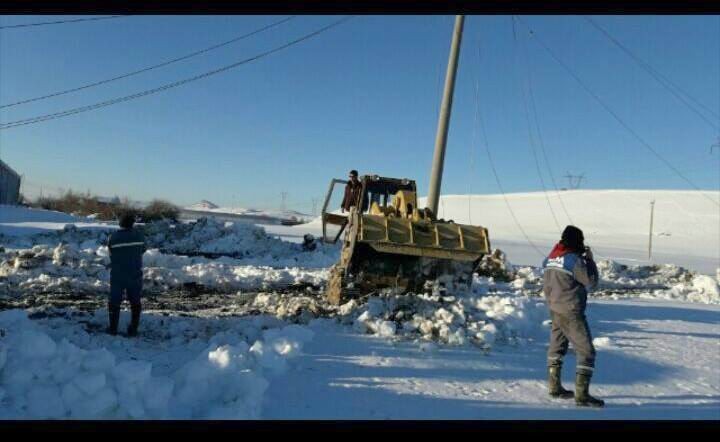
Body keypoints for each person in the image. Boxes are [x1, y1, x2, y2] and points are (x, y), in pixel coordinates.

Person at [542, 225, 604, 407]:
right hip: (571, 311)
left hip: (555, 308)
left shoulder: (550, 259)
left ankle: (554, 387)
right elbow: (591, 283)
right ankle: (582, 395)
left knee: (556, 347)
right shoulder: (573, 261)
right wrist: (590, 262)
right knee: (586, 351)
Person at [107, 212, 146, 337]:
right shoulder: (139, 236)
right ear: (132, 223)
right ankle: (133, 329)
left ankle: (113, 329)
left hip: (118, 275)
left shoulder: (113, 237)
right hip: (135, 273)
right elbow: (143, 249)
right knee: (135, 302)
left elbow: (110, 251)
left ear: (120, 223)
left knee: (114, 301)